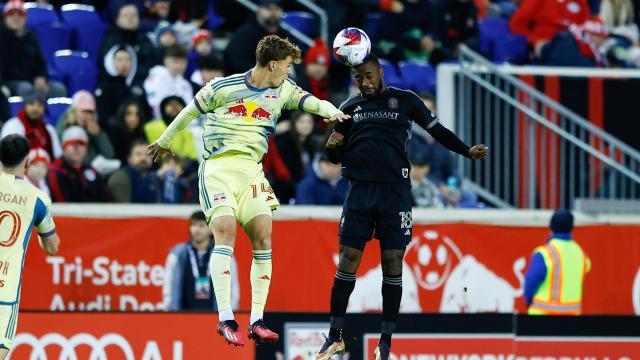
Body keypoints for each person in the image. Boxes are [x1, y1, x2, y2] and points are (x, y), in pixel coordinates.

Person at [147, 35, 350, 346]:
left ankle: (256, 319)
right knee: (225, 231)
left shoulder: (283, 90)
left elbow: (312, 102)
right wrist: (165, 140)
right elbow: (189, 111)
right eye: (286, 66)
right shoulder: (221, 87)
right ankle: (226, 317)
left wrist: (333, 112)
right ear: (272, 65)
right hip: (218, 168)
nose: (289, 72)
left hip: (251, 171)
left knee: (263, 236)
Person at [314, 54, 487, 360]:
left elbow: (437, 130)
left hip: (395, 194)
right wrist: (330, 148)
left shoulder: (406, 101)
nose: (365, 83)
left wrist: (465, 150)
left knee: (393, 262)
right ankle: (335, 336)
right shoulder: (349, 108)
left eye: (369, 76)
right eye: (359, 78)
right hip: (360, 191)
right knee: (348, 259)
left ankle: (385, 342)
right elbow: (334, 157)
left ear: (380, 72)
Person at [0, 134, 60, 360]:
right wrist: (37, 230)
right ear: (27, 161)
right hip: (5, 287)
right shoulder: (37, 199)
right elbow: (52, 247)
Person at [163, 211, 240, 311]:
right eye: (193, 225)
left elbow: (233, 287)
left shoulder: (223, 256)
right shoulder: (177, 255)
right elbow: (169, 286)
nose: (196, 230)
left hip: (215, 318)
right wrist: (170, 312)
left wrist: (229, 315)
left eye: (201, 225)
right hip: (182, 318)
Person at [524, 209, 591, 315]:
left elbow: (531, 282)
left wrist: (528, 300)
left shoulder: (545, 253)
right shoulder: (581, 254)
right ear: (572, 228)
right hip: (572, 318)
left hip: (542, 317)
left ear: (550, 228)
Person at [0, 0, 66, 98]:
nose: (16, 18)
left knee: (59, 89)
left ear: (25, 18)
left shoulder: (30, 36)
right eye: (11, 14)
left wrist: (41, 77)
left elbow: (40, 61)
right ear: (5, 18)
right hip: (8, 83)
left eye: (20, 15)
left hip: (30, 83)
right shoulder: (2, 37)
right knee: (26, 89)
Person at [222, 0, 288, 75]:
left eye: (276, 9)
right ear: (258, 10)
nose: (273, 13)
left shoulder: (284, 35)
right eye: (268, 9)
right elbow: (238, 64)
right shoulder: (245, 34)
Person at [56, 91, 116, 167]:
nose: (86, 115)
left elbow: (109, 155)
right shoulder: (64, 126)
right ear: (73, 111)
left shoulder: (94, 130)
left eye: (90, 112)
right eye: (83, 111)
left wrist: (99, 135)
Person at [47, 127, 106, 203]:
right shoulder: (54, 171)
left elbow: (103, 200)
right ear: (64, 148)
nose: (77, 149)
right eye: (72, 145)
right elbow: (61, 204)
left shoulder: (92, 171)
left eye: (81, 145)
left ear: (86, 148)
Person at [0, 90, 62, 160]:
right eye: (31, 104)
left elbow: (58, 156)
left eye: (40, 105)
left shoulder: (49, 129)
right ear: (24, 106)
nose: (36, 109)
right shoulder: (12, 125)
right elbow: (6, 155)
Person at [144, 44, 193, 119]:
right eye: (175, 61)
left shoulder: (185, 84)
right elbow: (153, 105)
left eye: (182, 63)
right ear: (166, 60)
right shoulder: (156, 77)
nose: (179, 66)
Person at [145, 96, 197, 161]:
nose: (174, 107)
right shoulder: (150, 127)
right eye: (170, 104)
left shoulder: (187, 131)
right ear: (162, 108)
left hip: (181, 166)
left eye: (178, 104)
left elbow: (192, 157)